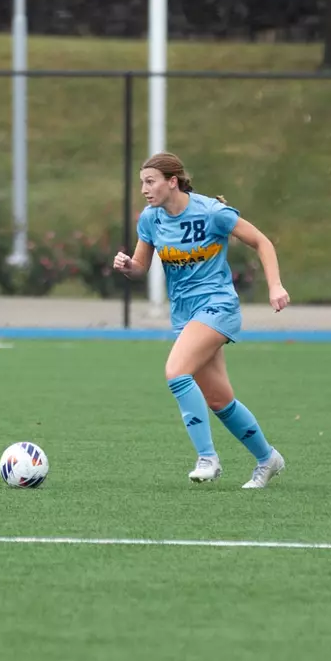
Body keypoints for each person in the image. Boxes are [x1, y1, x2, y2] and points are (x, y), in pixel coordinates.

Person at [112, 152, 290, 489]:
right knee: (219, 400)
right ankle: (268, 459)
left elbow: (261, 242)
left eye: (150, 182)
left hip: (217, 306)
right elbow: (140, 268)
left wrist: (276, 285)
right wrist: (127, 267)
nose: (144, 190)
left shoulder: (211, 212)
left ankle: (207, 458)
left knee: (176, 371)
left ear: (172, 181)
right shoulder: (150, 220)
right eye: (142, 183)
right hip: (184, 314)